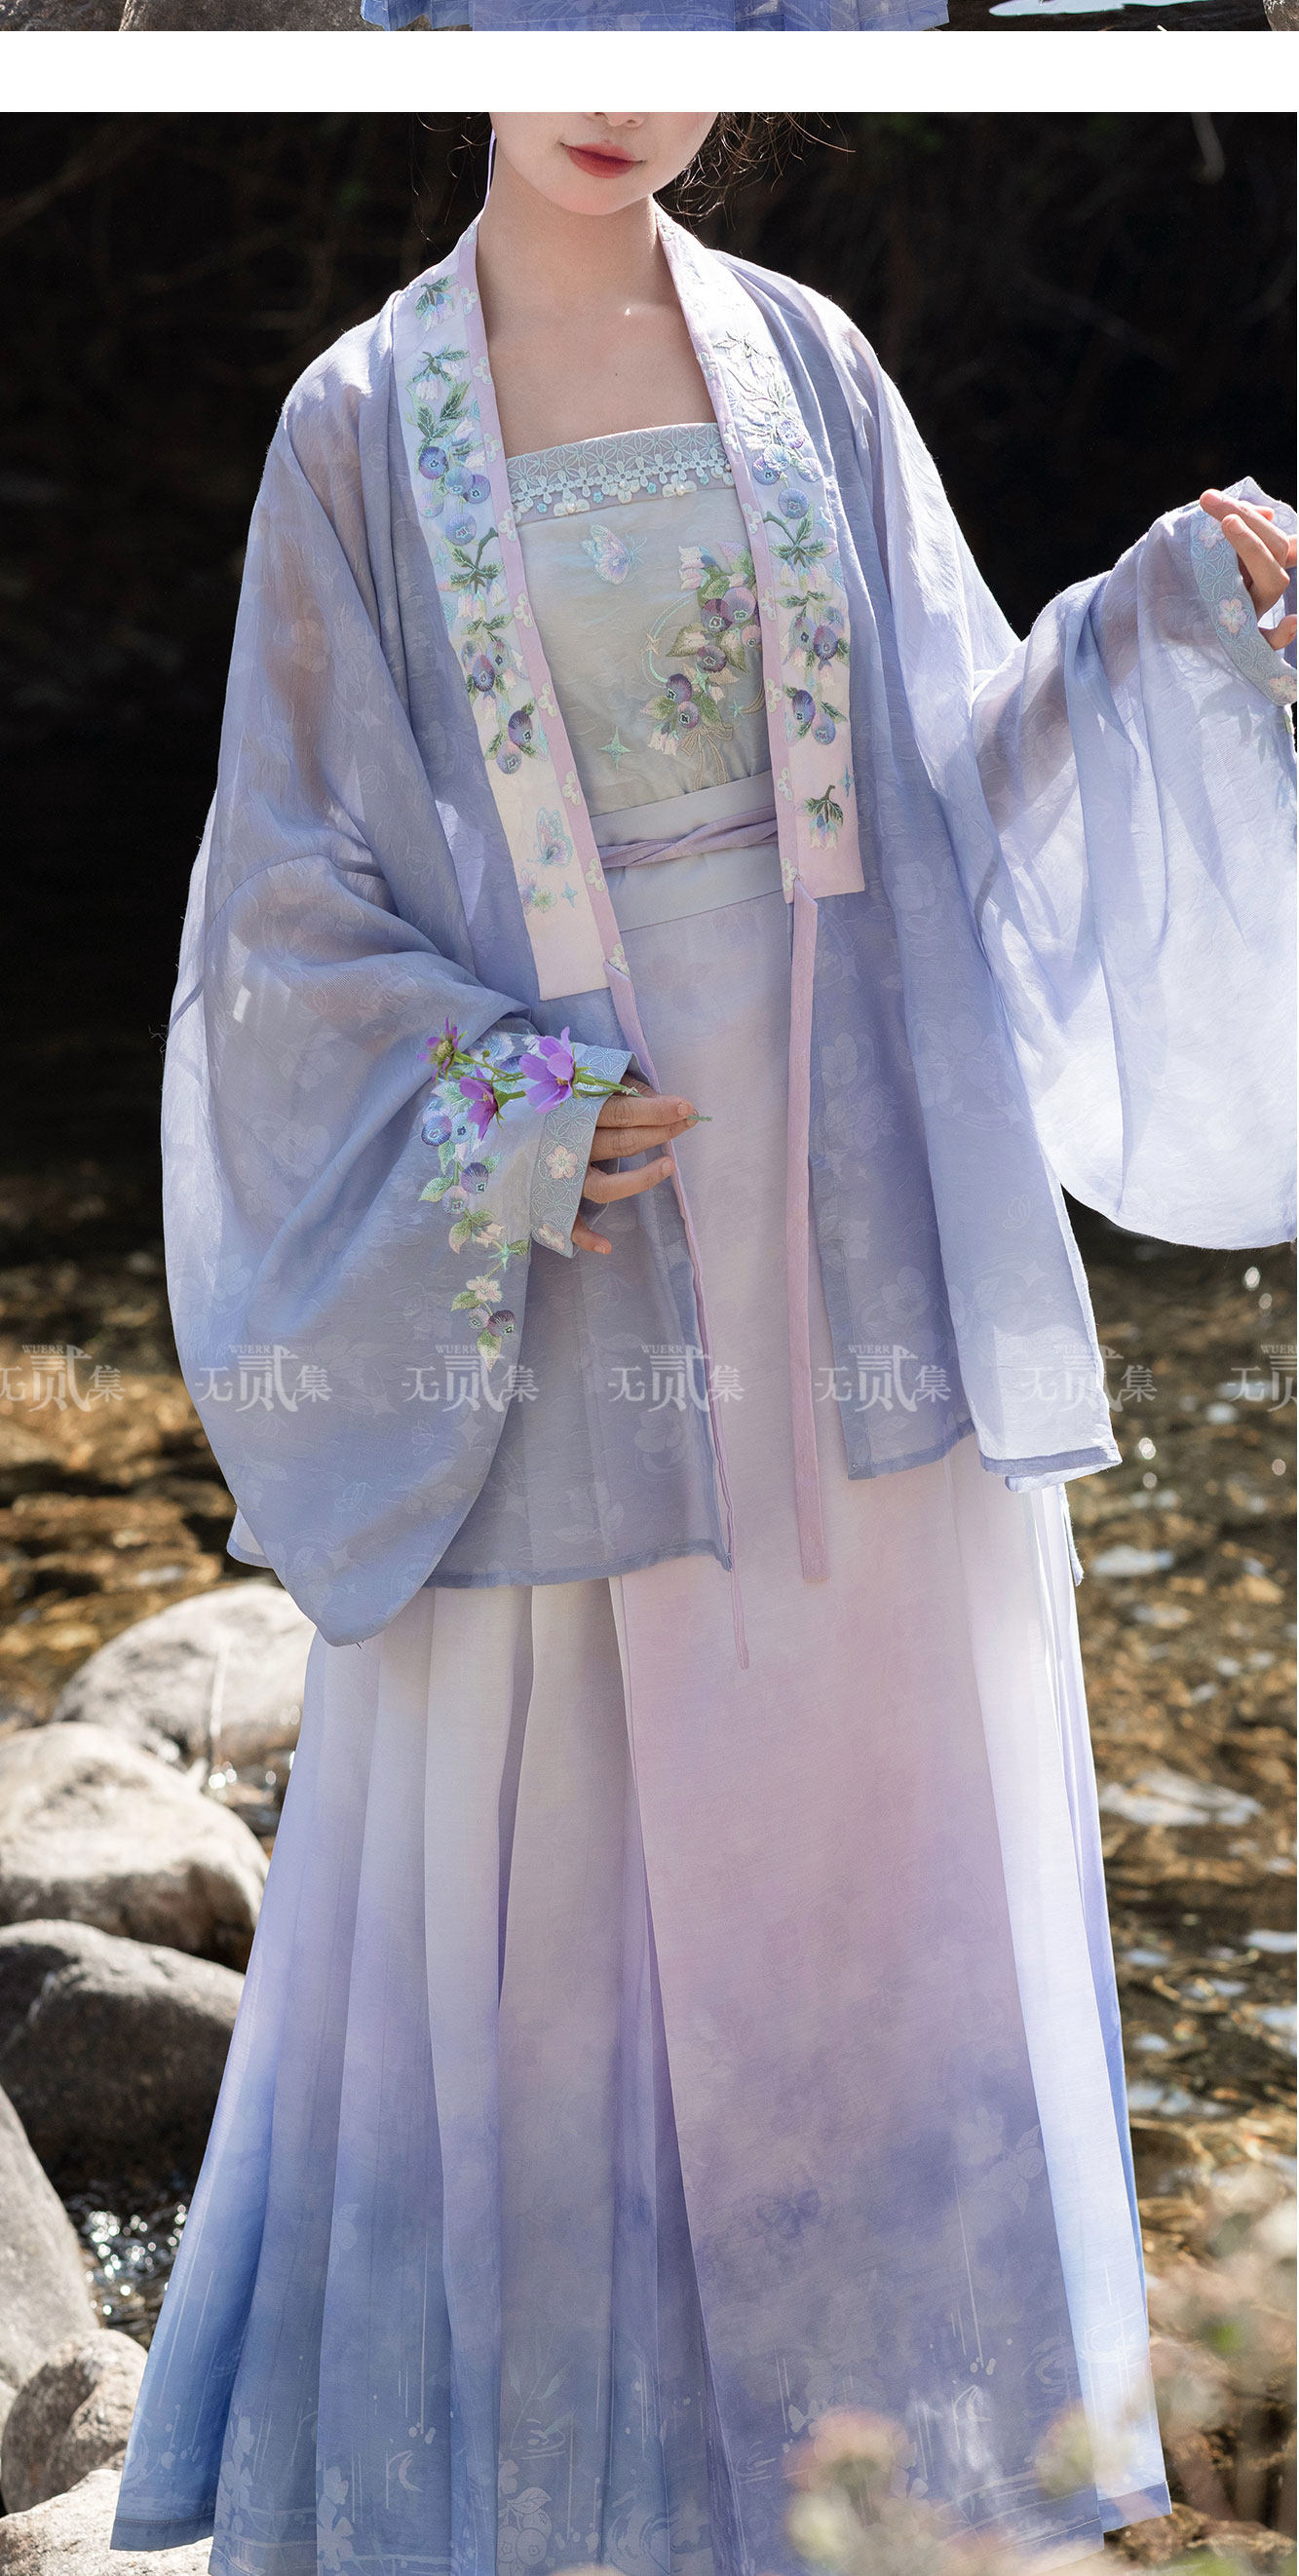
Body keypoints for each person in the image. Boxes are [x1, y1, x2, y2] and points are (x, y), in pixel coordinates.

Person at [110, 113, 1295, 2576]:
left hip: (849, 1221)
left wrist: (1149, 625)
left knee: (869, 1854)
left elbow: (953, 781)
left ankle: (875, 2500)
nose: (613, 82)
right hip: (563, 1241)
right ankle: (562, 2499)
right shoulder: (358, 421)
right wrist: (499, 1098)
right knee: (550, 1881)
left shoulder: (809, 365)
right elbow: (283, 900)